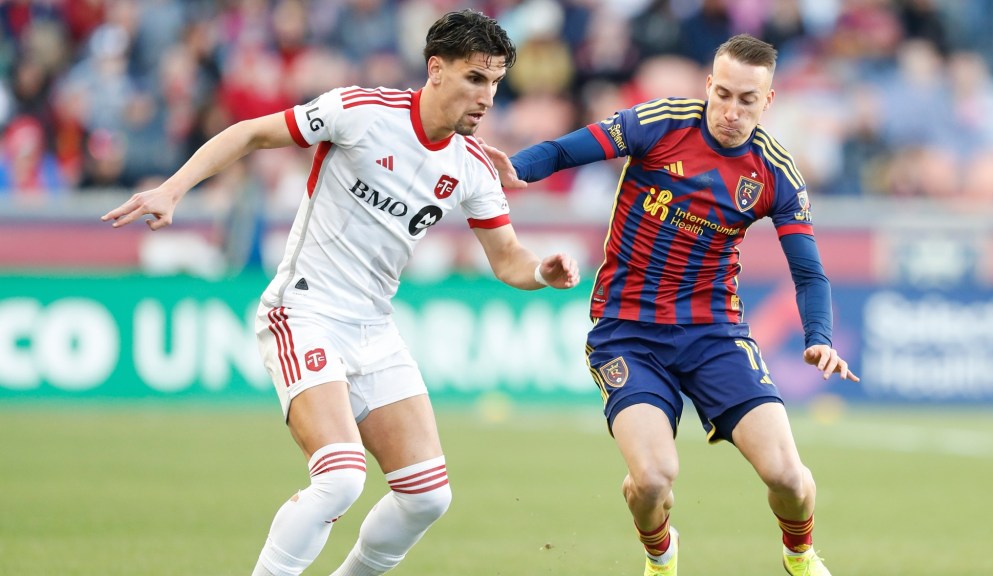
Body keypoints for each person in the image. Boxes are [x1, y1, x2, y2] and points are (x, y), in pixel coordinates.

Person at [102, 10, 579, 576]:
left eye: (496, 82)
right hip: (303, 310)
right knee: (341, 477)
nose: (488, 97)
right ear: (436, 70)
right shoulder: (361, 111)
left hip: (373, 329)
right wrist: (173, 189)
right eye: (476, 78)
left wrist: (544, 272)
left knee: (428, 497)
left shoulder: (473, 166)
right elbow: (253, 132)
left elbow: (508, 261)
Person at [485, 34, 857, 576]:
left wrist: (818, 337)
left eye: (746, 101)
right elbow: (569, 149)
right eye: (722, 94)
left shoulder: (774, 171)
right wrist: (518, 168)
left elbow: (808, 271)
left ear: (768, 102)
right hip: (627, 332)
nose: (730, 111)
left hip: (714, 334)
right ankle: (660, 554)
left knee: (788, 477)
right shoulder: (660, 123)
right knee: (653, 479)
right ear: (708, 85)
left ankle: (798, 555)